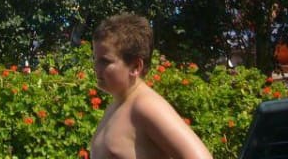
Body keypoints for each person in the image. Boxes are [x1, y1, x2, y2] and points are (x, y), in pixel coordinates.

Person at [91, 14, 213, 159]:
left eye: (105, 61)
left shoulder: (146, 106)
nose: (96, 67)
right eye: (95, 59)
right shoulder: (116, 105)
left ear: (136, 66)